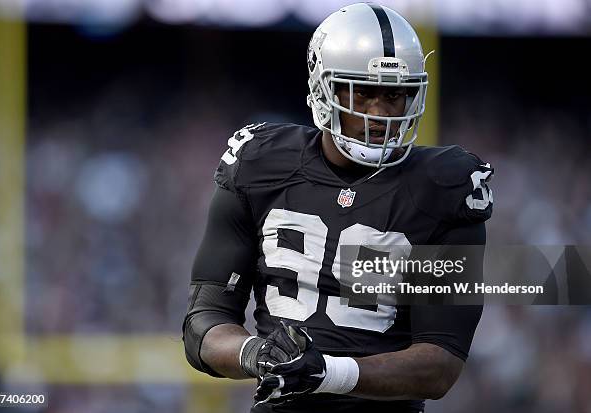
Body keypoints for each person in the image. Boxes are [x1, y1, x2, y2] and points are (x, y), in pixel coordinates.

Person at [182, 3, 493, 412]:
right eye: (363, 92)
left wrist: (330, 373)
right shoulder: (259, 164)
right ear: (323, 88)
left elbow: (440, 363)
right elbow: (203, 325)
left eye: (395, 95)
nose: (380, 113)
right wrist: (257, 354)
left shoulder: (446, 187)